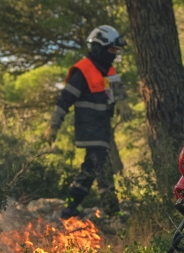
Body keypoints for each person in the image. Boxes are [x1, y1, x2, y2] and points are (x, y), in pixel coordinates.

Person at [45, 25, 127, 219]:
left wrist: (123, 102)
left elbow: (117, 91)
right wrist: (54, 125)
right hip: (89, 130)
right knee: (103, 169)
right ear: (99, 48)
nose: (114, 54)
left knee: (88, 170)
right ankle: (113, 212)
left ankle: (69, 208)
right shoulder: (82, 71)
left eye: (116, 51)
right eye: (111, 50)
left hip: (102, 129)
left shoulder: (108, 70)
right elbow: (64, 100)